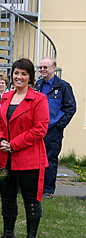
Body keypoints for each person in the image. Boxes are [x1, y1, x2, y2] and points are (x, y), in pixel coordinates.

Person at [0, 58, 49, 238]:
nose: (19, 77)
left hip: (29, 158)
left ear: (30, 77)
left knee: (31, 200)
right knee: (7, 198)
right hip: (6, 158)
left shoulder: (39, 99)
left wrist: (14, 144)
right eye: (16, 73)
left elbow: (40, 130)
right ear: (12, 74)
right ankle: (8, 234)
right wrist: (1, 141)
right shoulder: (5, 97)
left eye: (24, 74)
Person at [34, 57, 76, 199]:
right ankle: (34, 188)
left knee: (50, 160)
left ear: (53, 68)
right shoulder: (37, 85)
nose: (42, 70)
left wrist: (59, 125)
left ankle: (48, 190)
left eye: (45, 67)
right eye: (40, 67)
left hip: (52, 132)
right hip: (36, 130)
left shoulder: (63, 86)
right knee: (34, 159)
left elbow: (71, 108)